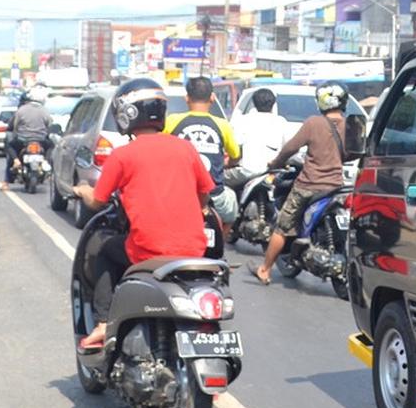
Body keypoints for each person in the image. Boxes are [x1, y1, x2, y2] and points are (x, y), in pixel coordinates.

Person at [73, 78, 215, 350]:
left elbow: (99, 201)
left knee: (103, 251)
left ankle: (103, 322)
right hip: (193, 251)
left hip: (147, 251)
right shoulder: (185, 148)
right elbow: (204, 193)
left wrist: (81, 190)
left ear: (127, 114)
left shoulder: (123, 155)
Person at [254, 82, 350, 286]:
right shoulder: (350, 125)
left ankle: (264, 269)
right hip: (337, 186)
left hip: (309, 185)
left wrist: (276, 162)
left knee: (282, 226)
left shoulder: (314, 123)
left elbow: (290, 148)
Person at [165, 77, 241, 232]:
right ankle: (221, 243)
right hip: (215, 196)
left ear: (187, 98)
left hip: (179, 194)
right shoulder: (222, 125)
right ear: (212, 98)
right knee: (231, 212)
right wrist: (228, 164)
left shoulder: (172, 121)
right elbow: (235, 156)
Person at [224, 88, 291, 188]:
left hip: (246, 171)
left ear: (254, 103)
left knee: (218, 179)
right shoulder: (281, 122)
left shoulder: (243, 121)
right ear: (273, 104)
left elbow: (235, 152)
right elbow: (289, 149)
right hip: (273, 171)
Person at [4, 87, 52, 187]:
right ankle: (46, 161)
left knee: (10, 146)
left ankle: (16, 161)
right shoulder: (45, 111)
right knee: (51, 146)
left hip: (22, 139)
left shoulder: (21, 110)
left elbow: (15, 126)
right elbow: (49, 124)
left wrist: (17, 134)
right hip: (41, 140)